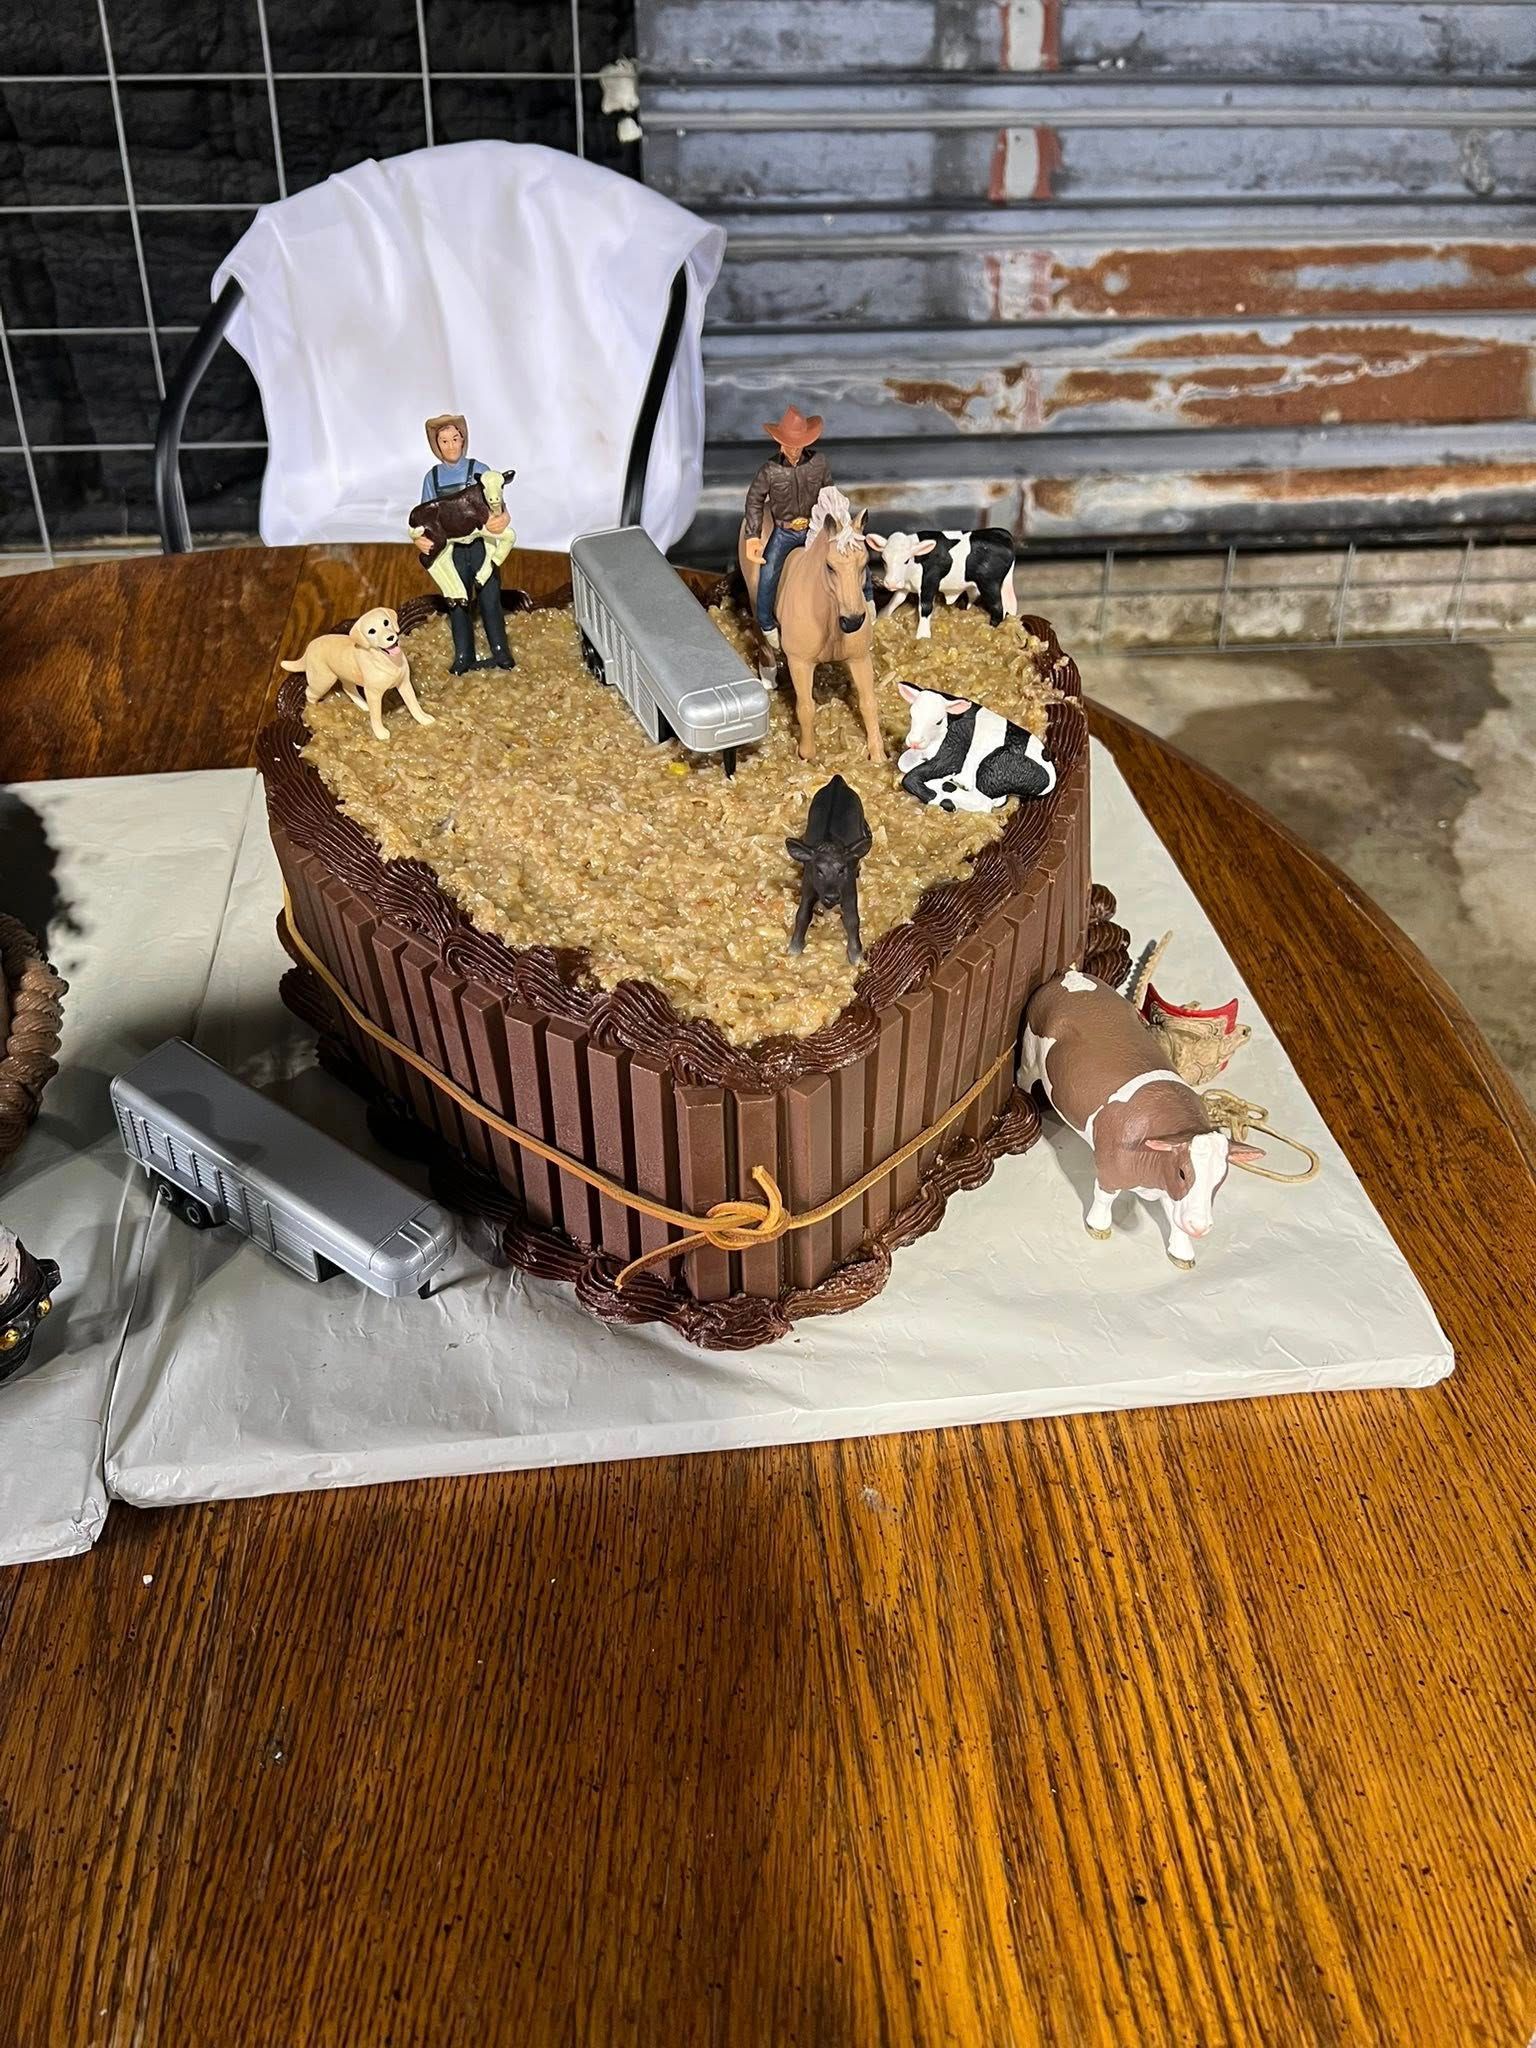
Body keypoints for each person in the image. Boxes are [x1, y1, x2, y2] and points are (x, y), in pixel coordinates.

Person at [414, 413, 515, 674]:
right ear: (436, 446)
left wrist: (503, 519)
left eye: (455, 439)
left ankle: (501, 652)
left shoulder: (479, 469)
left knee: (490, 598)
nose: (450, 446)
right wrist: (421, 541)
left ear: (463, 440)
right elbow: (424, 518)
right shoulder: (432, 478)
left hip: (482, 545)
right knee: (457, 601)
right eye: (444, 441)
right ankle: (464, 655)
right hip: (451, 551)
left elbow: (498, 501)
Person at [742, 406, 836, 651]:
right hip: (784, 531)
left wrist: (838, 520)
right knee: (769, 572)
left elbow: (830, 493)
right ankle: (766, 623)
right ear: (779, 442)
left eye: (798, 444)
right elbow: (754, 500)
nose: (793, 449)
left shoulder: (819, 463)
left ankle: (865, 597)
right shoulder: (770, 471)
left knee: (845, 558)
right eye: (788, 443)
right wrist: (753, 537)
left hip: (814, 527)